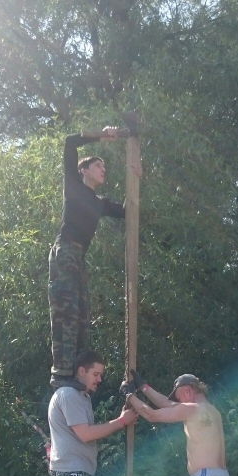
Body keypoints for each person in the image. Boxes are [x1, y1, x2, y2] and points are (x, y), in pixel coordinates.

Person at [49, 128, 141, 390]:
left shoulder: (99, 202)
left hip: (79, 257)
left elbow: (127, 211)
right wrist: (102, 136)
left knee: (81, 314)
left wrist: (136, 179)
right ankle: (61, 372)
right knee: (65, 311)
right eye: (97, 165)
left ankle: (78, 371)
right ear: (84, 170)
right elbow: (69, 142)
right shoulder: (73, 185)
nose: (103, 169)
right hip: (64, 250)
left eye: (103, 166)